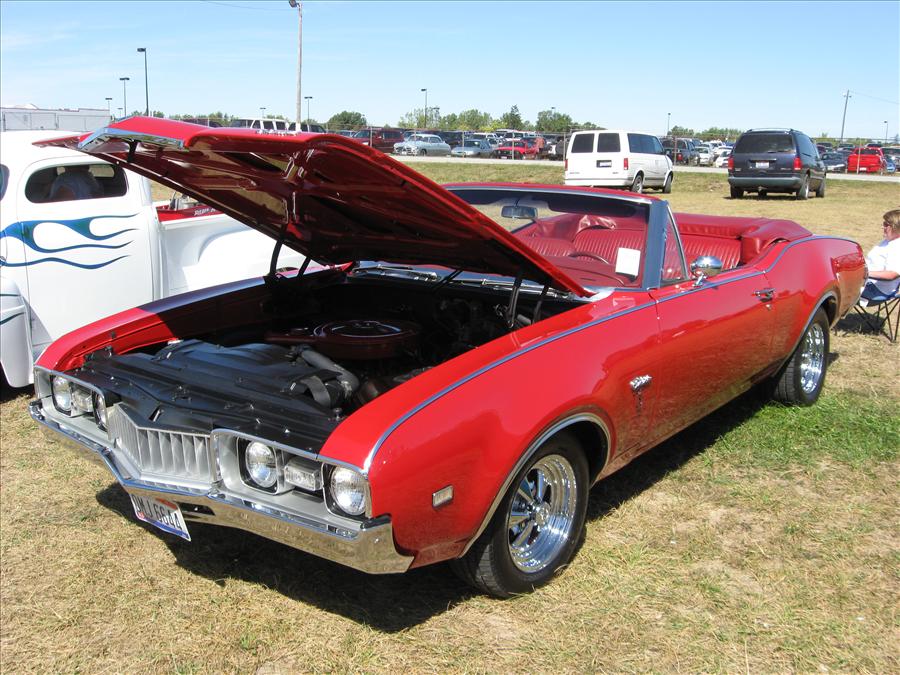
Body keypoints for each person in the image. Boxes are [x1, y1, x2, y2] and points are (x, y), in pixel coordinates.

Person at [860, 208, 900, 303]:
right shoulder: (888, 240)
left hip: (877, 289)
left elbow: (892, 274)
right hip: (868, 282)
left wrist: (865, 273)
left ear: (895, 227)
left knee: (834, 287)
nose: (882, 227)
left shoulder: (897, 247)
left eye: (886, 225)